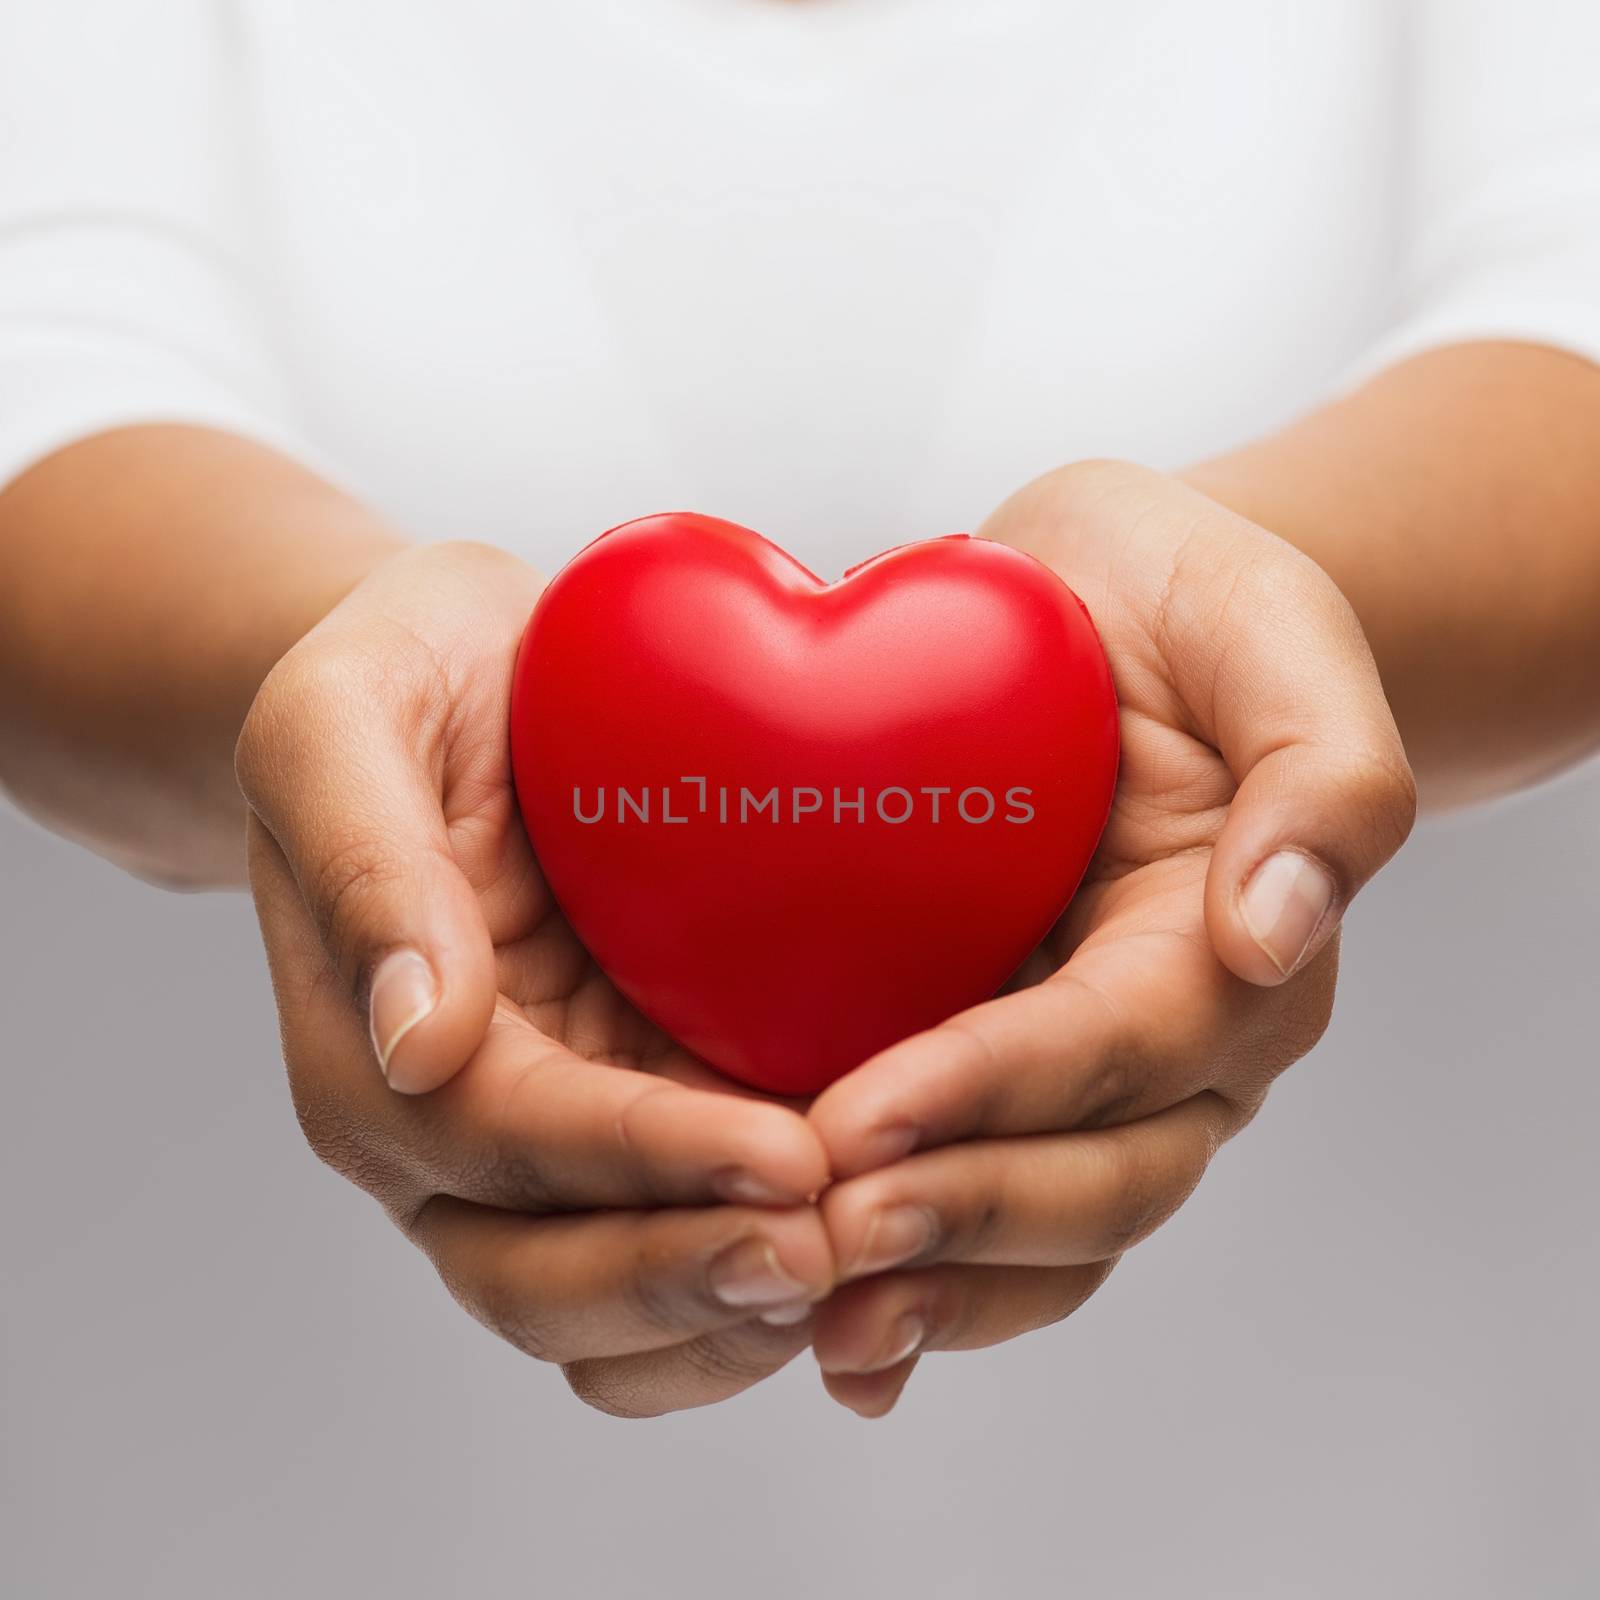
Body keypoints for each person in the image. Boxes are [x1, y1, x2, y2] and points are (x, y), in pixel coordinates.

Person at [1, 1, 1596, 1422]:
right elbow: (47, 356)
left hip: (1383, 1441)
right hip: (222, 1444)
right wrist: (337, 701)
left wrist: (1259, 633)